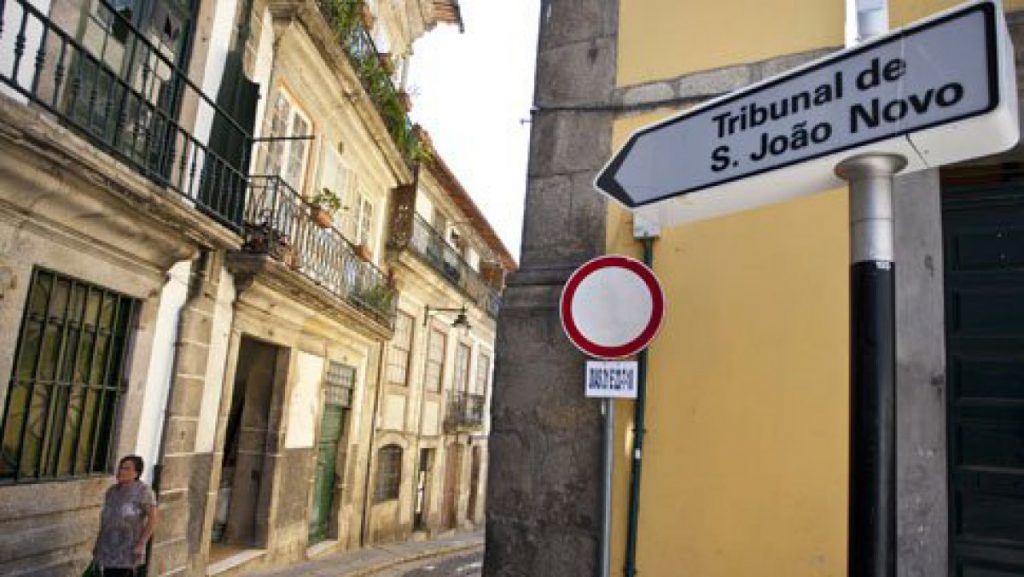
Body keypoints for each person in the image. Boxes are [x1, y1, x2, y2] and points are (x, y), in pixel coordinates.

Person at [92, 455, 159, 577]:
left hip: (128, 550)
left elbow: (153, 519)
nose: (121, 471)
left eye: (126, 469)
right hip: (107, 548)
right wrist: (98, 544)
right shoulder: (112, 491)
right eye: (120, 468)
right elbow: (106, 519)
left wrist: (142, 543)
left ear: (136, 473)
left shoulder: (144, 492)